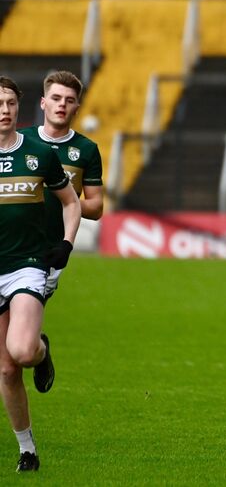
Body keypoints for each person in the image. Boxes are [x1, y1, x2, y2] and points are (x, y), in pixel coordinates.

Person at [0, 76, 81, 472]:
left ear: (20, 106)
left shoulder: (38, 153)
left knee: (21, 351)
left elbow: (72, 202)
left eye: (10, 103)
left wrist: (66, 243)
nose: (4, 110)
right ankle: (27, 450)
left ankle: (40, 350)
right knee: (6, 369)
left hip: (26, 265)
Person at [19, 71, 104, 302]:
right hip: (11, 244)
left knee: (22, 317)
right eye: (56, 98)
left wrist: (65, 199)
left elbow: (96, 207)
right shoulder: (20, 140)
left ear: (77, 107)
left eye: (69, 100)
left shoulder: (86, 150)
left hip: (50, 251)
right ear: (43, 103)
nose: (62, 105)